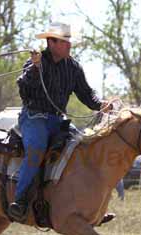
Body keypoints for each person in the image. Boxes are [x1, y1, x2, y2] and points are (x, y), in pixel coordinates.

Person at [8, 22, 112, 221]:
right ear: (51, 42)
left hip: (58, 120)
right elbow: (24, 89)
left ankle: (91, 206)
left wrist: (101, 105)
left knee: (84, 148)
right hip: (33, 117)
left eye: (69, 41)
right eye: (65, 42)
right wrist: (36, 67)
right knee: (37, 150)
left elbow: (86, 93)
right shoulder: (35, 62)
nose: (69, 45)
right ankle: (20, 201)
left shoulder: (72, 67)